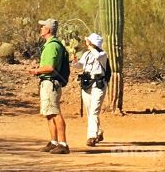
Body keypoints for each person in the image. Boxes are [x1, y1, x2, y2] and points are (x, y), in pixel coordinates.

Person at [31, 18, 69, 154]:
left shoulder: (52, 46)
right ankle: (54, 142)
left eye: (43, 27)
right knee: (49, 113)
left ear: (48, 30)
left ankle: (63, 144)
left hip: (50, 83)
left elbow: (50, 67)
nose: (41, 29)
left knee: (55, 112)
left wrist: (36, 70)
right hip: (47, 83)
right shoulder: (50, 44)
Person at [76, 33, 110, 148]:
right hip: (87, 83)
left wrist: (91, 46)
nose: (87, 43)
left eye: (89, 41)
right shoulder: (86, 54)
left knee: (94, 111)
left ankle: (91, 136)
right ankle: (98, 131)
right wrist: (75, 62)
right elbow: (80, 65)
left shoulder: (102, 54)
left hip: (98, 84)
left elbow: (98, 57)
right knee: (90, 111)